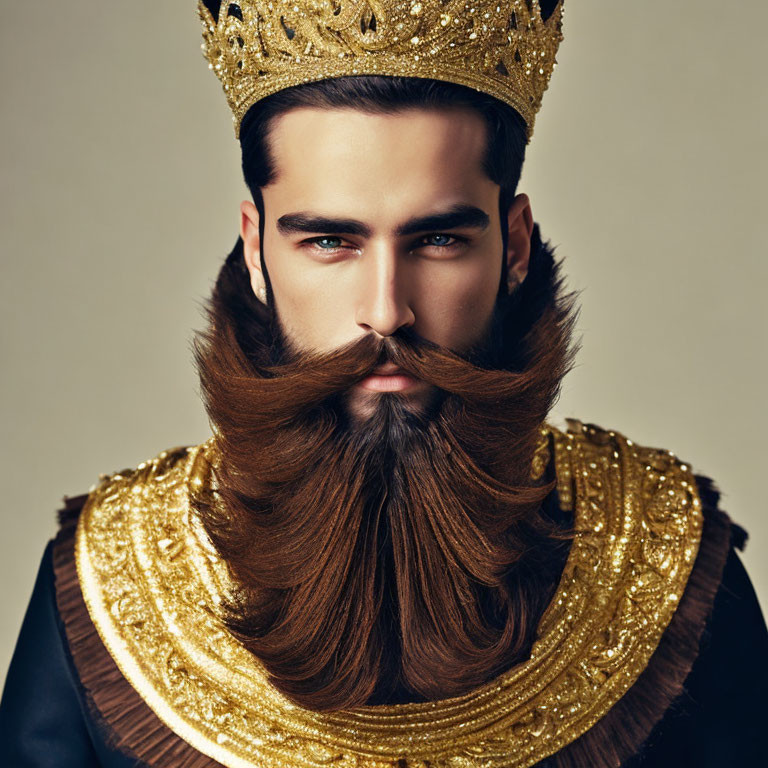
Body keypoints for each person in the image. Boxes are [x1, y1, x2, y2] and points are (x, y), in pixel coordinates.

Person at [1, 0, 766, 765]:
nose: (386, 311)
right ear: (257, 251)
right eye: (330, 242)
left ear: (516, 244)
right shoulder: (105, 578)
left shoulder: (672, 566)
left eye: (438, 241)